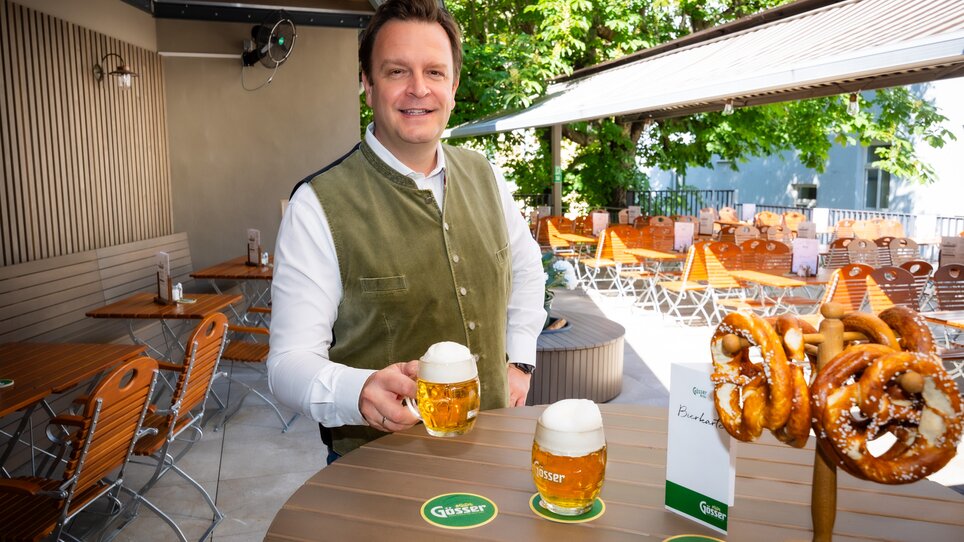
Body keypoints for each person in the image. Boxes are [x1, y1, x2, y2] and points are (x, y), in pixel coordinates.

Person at [267, 0, 546, 462]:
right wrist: (357, 390)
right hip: (380, 468)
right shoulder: (317, 205)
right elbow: (287, 364)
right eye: (397, 72)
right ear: (367, 84)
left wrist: (518, 362)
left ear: (453, 87)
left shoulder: (486, 175)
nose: (419, 89)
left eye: (435, 73)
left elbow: (527, 270)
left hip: (493, 447)